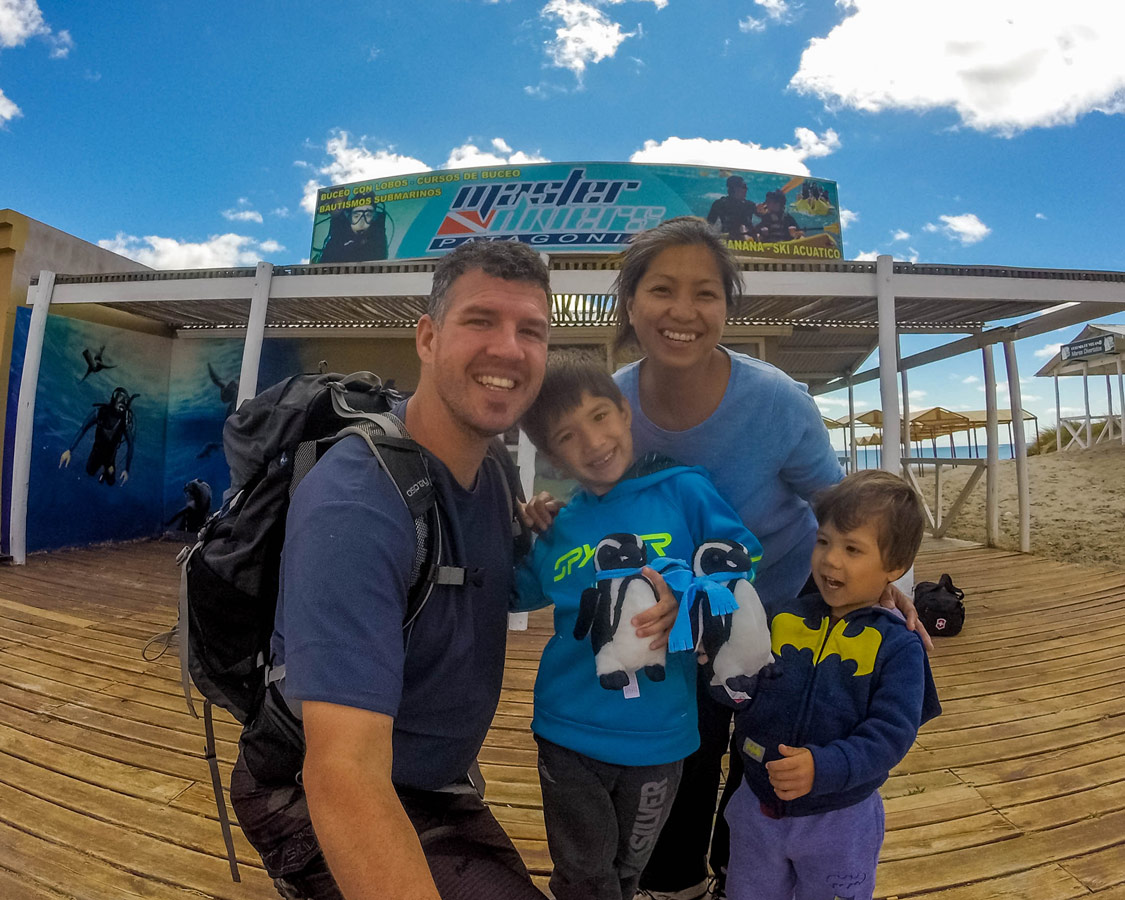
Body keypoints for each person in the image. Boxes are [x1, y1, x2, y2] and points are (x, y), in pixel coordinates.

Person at [228, 240, 677, 900]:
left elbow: (523, 578)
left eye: (531, 330)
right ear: (428, 337)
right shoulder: (358, 505)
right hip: (308, 787)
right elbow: (343, 775)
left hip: (436, 779)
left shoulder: (492, 469)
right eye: (480, 321)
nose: (509, 348)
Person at [515, 361, 763, 900]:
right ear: (554, 458)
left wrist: (690, 597)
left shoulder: (684, 490)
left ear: (625, 413)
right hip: (568, 729)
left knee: (630, 872)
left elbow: (742, 559)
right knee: (583, 875)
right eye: (568, 437)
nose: (594, 442)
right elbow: (516, 591)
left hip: (664, 734)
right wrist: (515, 528)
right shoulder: (561, 526)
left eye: (601, 417)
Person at [722, 470, 941, 900]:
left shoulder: (898, 645)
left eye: (852, 549)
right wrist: (722, 673)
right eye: (823, 542)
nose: (830, 560)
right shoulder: (782, 616)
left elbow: (891, 734)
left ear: (894, 567)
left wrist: (825, 768)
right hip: (757, 807)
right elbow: (742, 690)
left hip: (841, 819)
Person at [58, 386, 138, 486]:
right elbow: (83, 428)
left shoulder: (124, 422)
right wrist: (69, 450)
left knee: (110, 482)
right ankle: (106, 470)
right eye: (120, 402)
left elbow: (131, 445)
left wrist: (127, 469)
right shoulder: (100, 412)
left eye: (123, 404)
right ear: (113, 401)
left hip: (110, 456)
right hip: (97, 451)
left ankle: (107, 470)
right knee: (90, 471)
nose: (121, 407)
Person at [706, 176, 758, 240]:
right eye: (744, 187)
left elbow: (767, 218)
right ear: (734, 189)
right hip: (729, 241)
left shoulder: (749, 205)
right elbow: (708, 226)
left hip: (748, 244)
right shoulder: (720, 204)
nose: (746, 189)